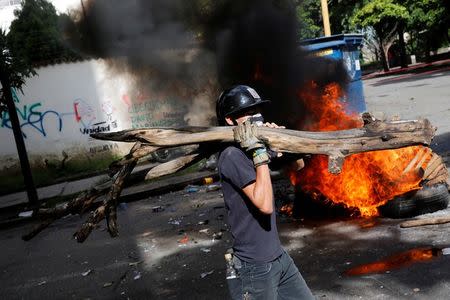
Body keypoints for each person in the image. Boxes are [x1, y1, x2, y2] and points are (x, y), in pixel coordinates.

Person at [216, 85, 314, 300]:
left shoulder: (251, 148)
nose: (255, 117)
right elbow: (265, 204)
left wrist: (279, 142)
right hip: (255, 267)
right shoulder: (232, 155)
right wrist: (259, 153)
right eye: (248, 113)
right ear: (230, 120)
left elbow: (298, 166)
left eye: (257, 111)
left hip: (279, 257)